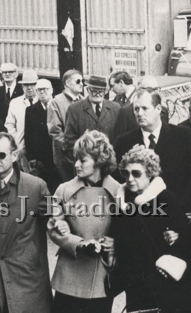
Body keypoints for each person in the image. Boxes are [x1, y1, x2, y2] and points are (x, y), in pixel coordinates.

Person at [0, 132, 52, 313]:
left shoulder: (35, 187)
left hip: (26, 279)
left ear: (14, 155)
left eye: (1, 155)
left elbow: (55, 220)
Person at [48, 130, 120, 313]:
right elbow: (52, 227)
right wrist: (77, 243)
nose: (77, 165)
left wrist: (115, 243)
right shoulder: (64, 190)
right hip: (70, 275)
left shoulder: (118, 192)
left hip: (101, 276)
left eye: (83, 160)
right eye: (76, 159)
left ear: (99, 161)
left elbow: (129, 230)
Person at [112, 146, 190, 313]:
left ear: (150, 173)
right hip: (134, 283)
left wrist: (171, 250)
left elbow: (186, 235)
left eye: (136, 173)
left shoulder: (165, 198)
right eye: (126, 173)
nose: (130, 178)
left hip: (162, 281)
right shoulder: (122, 203)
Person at [114, 88, 191, 212]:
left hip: (176, 212)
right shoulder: (124, 142)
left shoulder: (182, 135)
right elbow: (117, 178)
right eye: (136, 109)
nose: (139, 113)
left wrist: (182, 207)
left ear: (158, 109)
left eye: (145, 108)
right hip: (138, 216)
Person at [63, 75, 120, 168]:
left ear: (105, 91)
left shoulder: (115, 108)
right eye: (94, 91)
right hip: (85, 165)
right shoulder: (74, 109)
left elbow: (119, 138)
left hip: (109, 165)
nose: (97, 94)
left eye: (101, 91)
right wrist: (84, 158)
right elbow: (69, 141)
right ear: (87, 90)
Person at [47, 69, 84, 182]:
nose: (82, 84)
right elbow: (55, 131)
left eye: (82, 81)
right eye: (78, 81)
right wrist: (71, 148)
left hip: (83, 154)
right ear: (67, 83)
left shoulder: (84, 101)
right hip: (66, 157)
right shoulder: (56, 102)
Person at [25, 79, 60, 194]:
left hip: (57, 156)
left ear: (51, 90)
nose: (42, 92)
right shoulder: (30, 110)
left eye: (45, 89)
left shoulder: (58, 106)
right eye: (39, 90)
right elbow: (28, 135)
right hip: (41, 159)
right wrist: (32, 158)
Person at [113, 76, 169, 141]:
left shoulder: (163, 111)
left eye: (157, 89)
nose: (156, 93)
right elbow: (119, 142)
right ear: (139, 90)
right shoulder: (125, 113)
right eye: (151, 89)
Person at [5, 70, 38, 152]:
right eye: (26, 85)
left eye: (32, 84)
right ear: (22, 86)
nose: (29, 87)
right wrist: (16, 140)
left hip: (40, 149)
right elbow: (9, 125)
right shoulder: (15, 103)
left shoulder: (42, 102)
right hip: (21, 148)